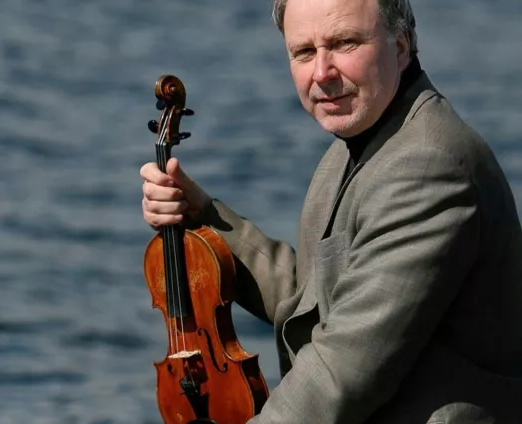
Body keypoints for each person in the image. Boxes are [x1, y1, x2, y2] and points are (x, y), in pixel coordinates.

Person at [140, 0, 522, 422]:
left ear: (401, 45)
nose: (321, 72)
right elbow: (315, 300)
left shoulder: (428, 166)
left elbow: (342, 370)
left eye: (343, 44)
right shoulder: (360, 143)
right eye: (304, 52)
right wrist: (204, 216)